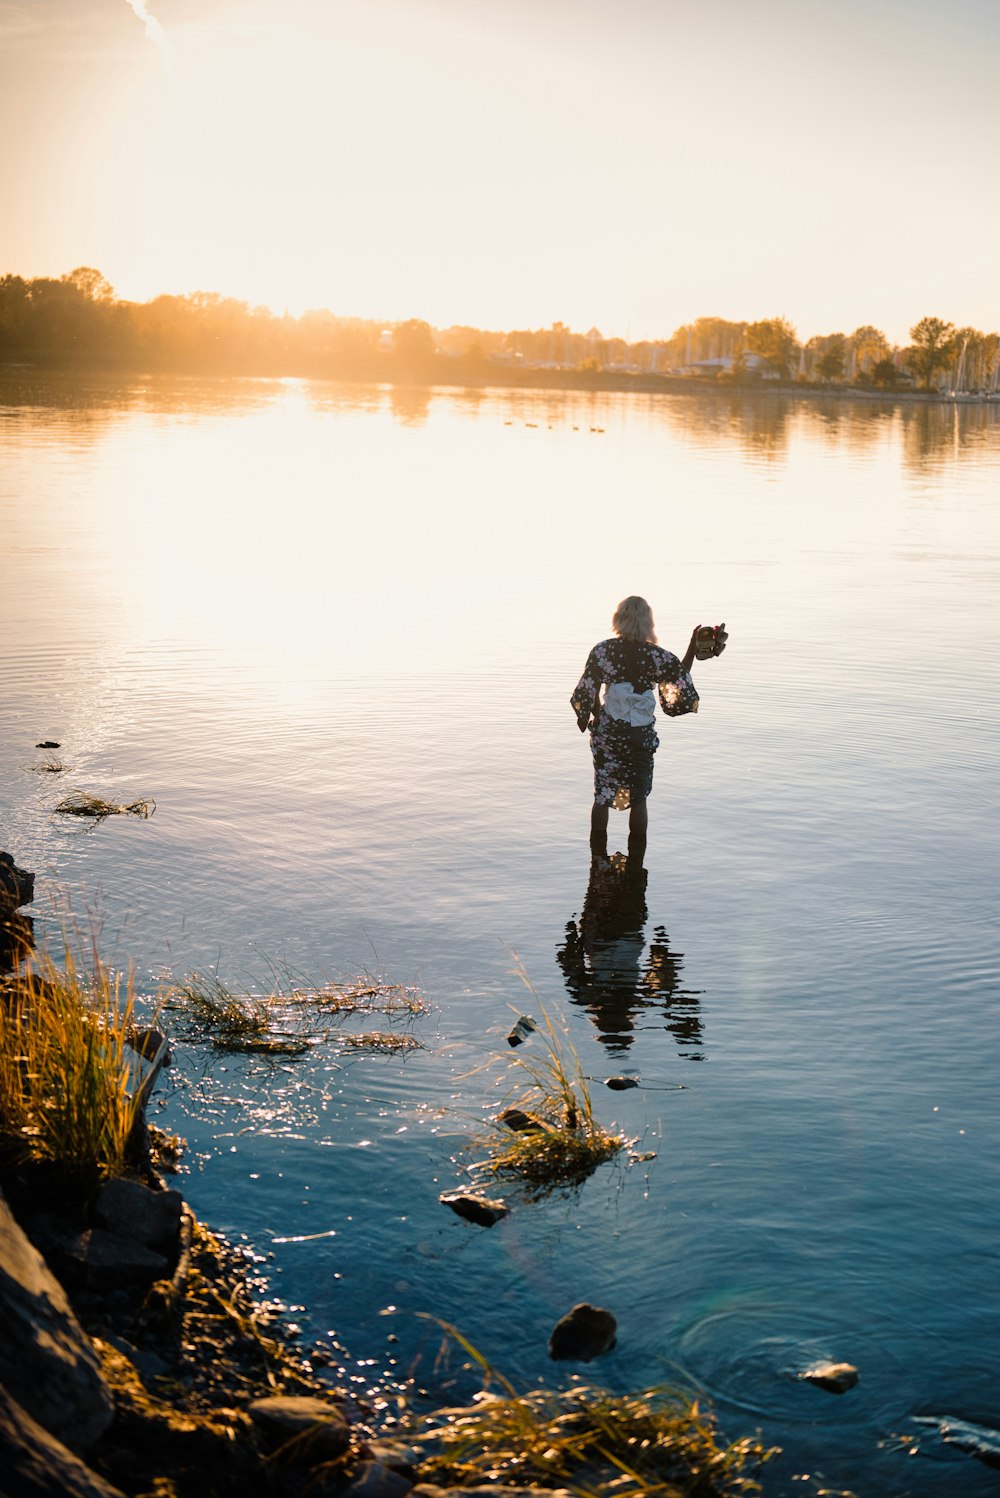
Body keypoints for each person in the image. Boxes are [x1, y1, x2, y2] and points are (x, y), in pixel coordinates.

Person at [571, 595, 700, 840]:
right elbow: (679, 679)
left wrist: (598, 718)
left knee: (602, 796)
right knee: (639, 797)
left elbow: (588, 690)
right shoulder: (657, 656)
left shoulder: (603, 651)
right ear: (648, 623)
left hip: (609, 735)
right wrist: (693, 647)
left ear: (619, 619)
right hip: (640, 736)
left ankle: (597, 858)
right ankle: (636, 864)